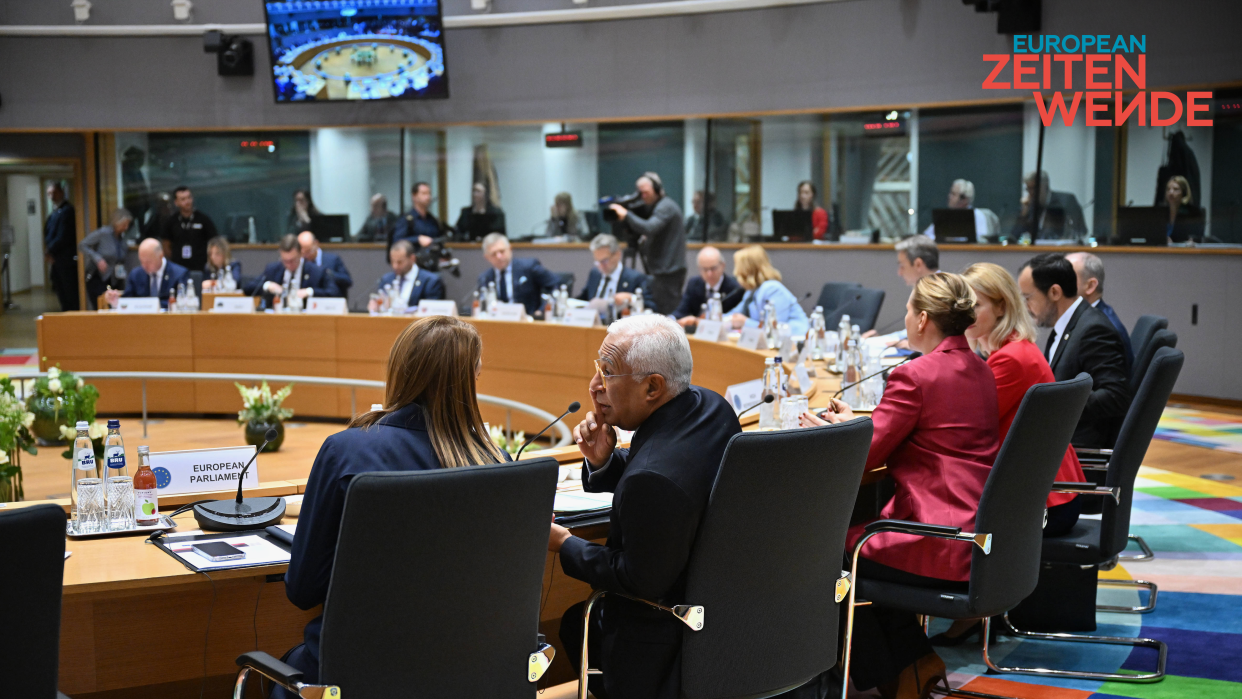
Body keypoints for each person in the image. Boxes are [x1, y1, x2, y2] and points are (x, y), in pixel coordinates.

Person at [278, 316, 508, 698]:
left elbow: (302, 590)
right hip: (469, 670)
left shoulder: (346, 451)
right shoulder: (497, 463)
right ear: (472, 380)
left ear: (400, 371)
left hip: (355, 673)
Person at [801, 272, 999, 697]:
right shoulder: (980, 369)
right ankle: (914, 663)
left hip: (938, 538)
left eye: (909, 309)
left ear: (923, 319)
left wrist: (828, 429)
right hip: (978, 530)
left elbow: (866, 457)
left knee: (831, 550)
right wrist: (855, 426)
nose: (905, 317)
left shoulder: (916, 375)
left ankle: (899, 671)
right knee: (858, 545)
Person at [549, 314, 742, 699]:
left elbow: (639, 581)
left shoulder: (653, 477)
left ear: (653, 387)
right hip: (733, 616)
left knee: (572, 623)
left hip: (666, 638)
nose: (594, 387)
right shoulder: (710, 407)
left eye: (607, 373)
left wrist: (564, 543)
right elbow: (676, 476)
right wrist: (606, 462)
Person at [1018, 253, 1131, 449]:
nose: (1026, 307)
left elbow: (1115, 396)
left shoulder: (1093, 330)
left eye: (1028, 297)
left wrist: (1054, 405)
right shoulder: (1068, 325)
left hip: (1074, 447)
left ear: (1054, 292)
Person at [609, 172, 686, 314]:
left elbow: (649, 228)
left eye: (645, 192)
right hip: (661, 269)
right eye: (640, 193)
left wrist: (627, 215)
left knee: (667, 313)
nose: (643, 197)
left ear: (657, 189)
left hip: (668, 271)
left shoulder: (666, 206)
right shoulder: (656, 207)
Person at [1066, 252, 1134, 371]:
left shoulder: (1100, 330)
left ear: (1090, 286)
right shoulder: (1089, 317)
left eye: (1067, 278)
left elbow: (1106, 386)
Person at [723, 245, 809, 336]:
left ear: (747, 269)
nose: (735, 272)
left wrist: (745, 322)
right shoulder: (751, 292)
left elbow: (774, 327)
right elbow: (734, 314)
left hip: (795, 340)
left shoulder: (773, 289)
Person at [243, 234, 340, 307]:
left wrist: (309, 292)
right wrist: (267, 285)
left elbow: (334, 293)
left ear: (301, 254)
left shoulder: (316, 271)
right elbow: (248, 289)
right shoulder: (273, 269)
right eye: (285, 261)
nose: (289, 265)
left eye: (293, 260)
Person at [476, 233, 560, 316]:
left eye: (502, 251)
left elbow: (556, 284)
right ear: (487, 257)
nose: (499, 256)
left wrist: (542, 311)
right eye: (494, 254)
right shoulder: (485, 278)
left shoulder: (529, 267)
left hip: (529, 321)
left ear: (510, 249)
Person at [104, 238, 190, 310]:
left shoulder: (179, 274)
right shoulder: (136, 274)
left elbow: (182, 303)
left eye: (148, 262)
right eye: (141, 261)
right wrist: (116, 303)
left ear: (160, 256)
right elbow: (127, 302)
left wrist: (152, 306)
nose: (144, 266)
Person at [672, 246, 742, 326]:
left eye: (713, 268)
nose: (709, 274)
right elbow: (681, 311)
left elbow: (735, 317)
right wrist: (670, 319)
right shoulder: (694, 283)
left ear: (723, 266)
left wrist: (697, 321)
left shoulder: (735, 288)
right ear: (699, 269)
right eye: (705, 269)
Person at [576, 234, 651, 307]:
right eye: (597, 262)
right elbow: (583, 299)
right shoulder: (595, 273)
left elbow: (650, 305)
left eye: (604, 261)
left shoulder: (635, 278)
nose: (601, 266)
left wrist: (631, 298)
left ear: (618, 255)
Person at [79, 208, 133, 309]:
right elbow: (82, 244)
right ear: (117, 222)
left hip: (115, 278)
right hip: (97, 276)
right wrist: (97, 258)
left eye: (128, 225)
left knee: (116, 307)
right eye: (124, 224)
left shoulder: (122, 239)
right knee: (101, 305)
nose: (126, 228)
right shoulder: (103, 233)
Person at [370, 239, 445, 312]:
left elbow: (433, 314)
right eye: (392, 261)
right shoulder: (386, 280)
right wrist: (376, 307)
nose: (395, 266)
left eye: (400, 262)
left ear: (412, 258)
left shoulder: (430, 281)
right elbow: (380, 306)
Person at [1012, 171, 1087, 241]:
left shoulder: (1066, 201)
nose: (1031, 193)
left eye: (1034, 188)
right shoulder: (1029, 206)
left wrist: (1068, 237)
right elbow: (1015, 236)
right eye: (1028, 189)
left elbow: (1081, 230)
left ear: (1045, 186)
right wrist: (1023, 215)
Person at [160, 185, 218, 272]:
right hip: (178, 267)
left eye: (189, 198)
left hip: (200, 266)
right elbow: (166, 244)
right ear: (176, 202)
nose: (187, 202)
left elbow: (214, 241)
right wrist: (174, 258)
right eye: (183, 199)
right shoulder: (171, 222)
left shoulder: (203, 219)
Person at [921, 179, 996, 242]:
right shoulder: (945, 216)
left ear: (964, 199)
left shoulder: (977, 215)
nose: (949, 196)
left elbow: (982, 240)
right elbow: (926, 236)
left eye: (953, 194)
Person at [44, 182, 80, 311]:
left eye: (54, 192)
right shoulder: (54, 212)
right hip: (56, 259)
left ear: (61, 192)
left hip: (66, 260)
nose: (52, 196)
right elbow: (48, 233)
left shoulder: (68, 210)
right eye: (49, 193)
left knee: (69, 292)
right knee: (60, 291)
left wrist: (50, 250)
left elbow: (63, 236)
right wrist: (48, 252)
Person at [297, 231, 353, 298]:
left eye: (308, 251)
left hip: (331, 301)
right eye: (302, 253)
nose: (305, 255)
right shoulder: (301, 263)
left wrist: (329, 274)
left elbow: (348, 281)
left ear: (316, 244)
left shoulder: (332, 260)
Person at [391, 182, 440, 251]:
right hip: (414, 256)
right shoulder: (407, 220)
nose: (428, 197)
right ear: (414, 196)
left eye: (429, 193)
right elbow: (397, 241)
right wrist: (417, 239)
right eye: (424, 193)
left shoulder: (432, 220)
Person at [1162, 175, 1205, 243]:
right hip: (1161, 250)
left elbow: (1196, 237)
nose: (1171, 193)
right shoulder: (1161, 212)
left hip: (1183, 250)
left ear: (1184, 193)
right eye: (1168, 189)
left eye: (1176, 189)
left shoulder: (1193, 212)